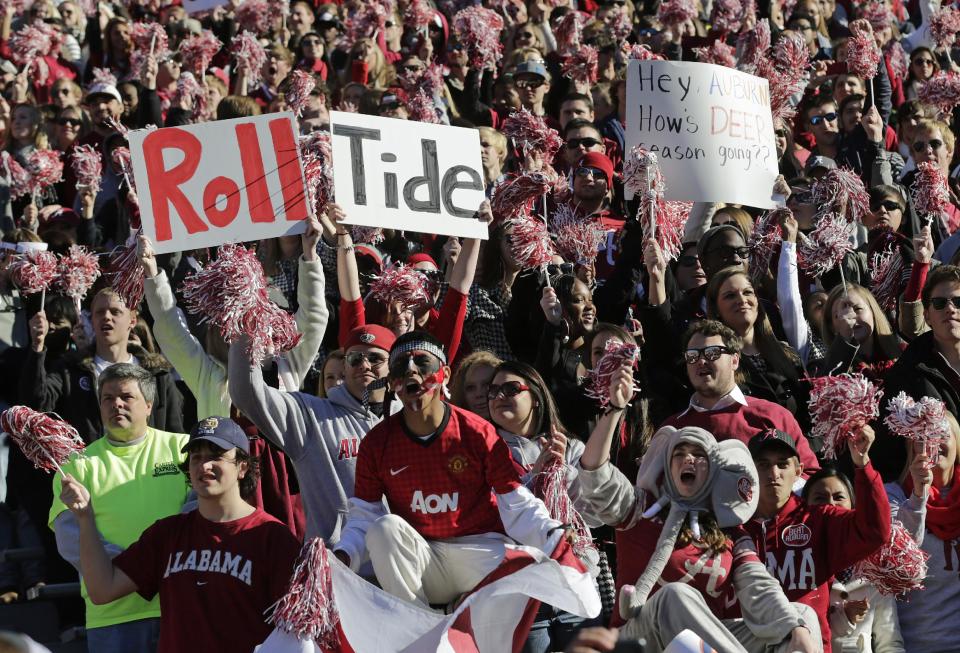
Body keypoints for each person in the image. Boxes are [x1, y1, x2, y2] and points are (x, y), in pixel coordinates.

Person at [577, 369, 819, 652]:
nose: (687, 459)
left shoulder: (729, 529)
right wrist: (615, 410)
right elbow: (595, 475)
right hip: (635, 641)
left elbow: (758, 586)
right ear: (667, 465)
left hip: (698, 645)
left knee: (800, 618)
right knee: (674, 596)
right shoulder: (640, 508)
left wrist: (793, 629)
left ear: (714, 470)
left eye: (699, 455)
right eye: (678, 454)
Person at [333, 332, 573, 608]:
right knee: (384, 528)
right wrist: (343, 555)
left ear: (445, 374)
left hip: (481, 552)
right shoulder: (376, 443)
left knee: (527, 565)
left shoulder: (477, 432)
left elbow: (516, 502)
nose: (412, 371)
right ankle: (418, 625)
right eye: (401, 366)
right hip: (425, 557)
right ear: (391, 383)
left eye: (422, 362)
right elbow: (365, 517)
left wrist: (551, 533)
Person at [57, 416, 301, 653]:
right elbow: (102, 589)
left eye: (216, 456)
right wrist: (85, 517)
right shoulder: (167, 534)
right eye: (196, 457)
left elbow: (295, 632)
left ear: (242, 467)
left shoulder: (272, 537)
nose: (204, 466)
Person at [48, 363, 190, 652]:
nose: (116, 404)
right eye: (107, 398)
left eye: (126, 396)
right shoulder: (76, 464)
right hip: (112, 616)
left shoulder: (185, 449)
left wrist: (142, 569)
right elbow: (69, 537)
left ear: (149, 405)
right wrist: (134, 572)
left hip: (182, 606)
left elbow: (203, 514)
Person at [228, 323, 397, 543]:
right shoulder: (311, 415)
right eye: (355, 359)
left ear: (393, 365)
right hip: (337, 565)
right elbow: (247, 392)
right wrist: (246, 325)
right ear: (344, 368)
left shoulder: (409, 418)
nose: (364, 365)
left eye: (375, 359)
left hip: (399, 562)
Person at [745, 427, 891, 653]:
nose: (774, 473)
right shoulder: (733, 527)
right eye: (763, 465)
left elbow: (874, 530)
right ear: (748, 471)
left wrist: (862, 464)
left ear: (798, 471)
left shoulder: (819, 519)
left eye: (783, 464)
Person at [23, 287, 184, 443]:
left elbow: (174, 432)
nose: (106, 317)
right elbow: (36, 406)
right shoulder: (69, 368)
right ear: (92, 320)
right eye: (99, 312)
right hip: (88, 467)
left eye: (115, 312)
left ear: (132, 320)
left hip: (146, 468)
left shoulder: (156, 373)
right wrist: (37, 346)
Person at [662, 320, 820, 473]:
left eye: (712, 353)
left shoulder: (774, 415)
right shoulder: (672, 430)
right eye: (692, 355)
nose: (701, 361)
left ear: (735, 360)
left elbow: (810, 476)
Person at [802, 468, 905, 653]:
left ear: (853, 506)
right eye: (820, 498)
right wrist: (842, 618)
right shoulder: (795, 565)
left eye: (838, 497)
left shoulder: (875, 570)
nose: (830, 505)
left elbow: (889, 643)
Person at [885, 413, 960, 652]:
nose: (934, 442)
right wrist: (919, 494)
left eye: (942, 435)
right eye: (925, 436)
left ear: (957, 443)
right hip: (913, 644)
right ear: (911, 447)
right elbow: (901, 558)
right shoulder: (891, 496)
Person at [879, 265, 960, 481]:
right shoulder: (906, 371)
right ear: (927, 315)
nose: (950, 309)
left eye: (958, 302)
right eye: (940, 303)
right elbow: (891, 450)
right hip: (935, 491)